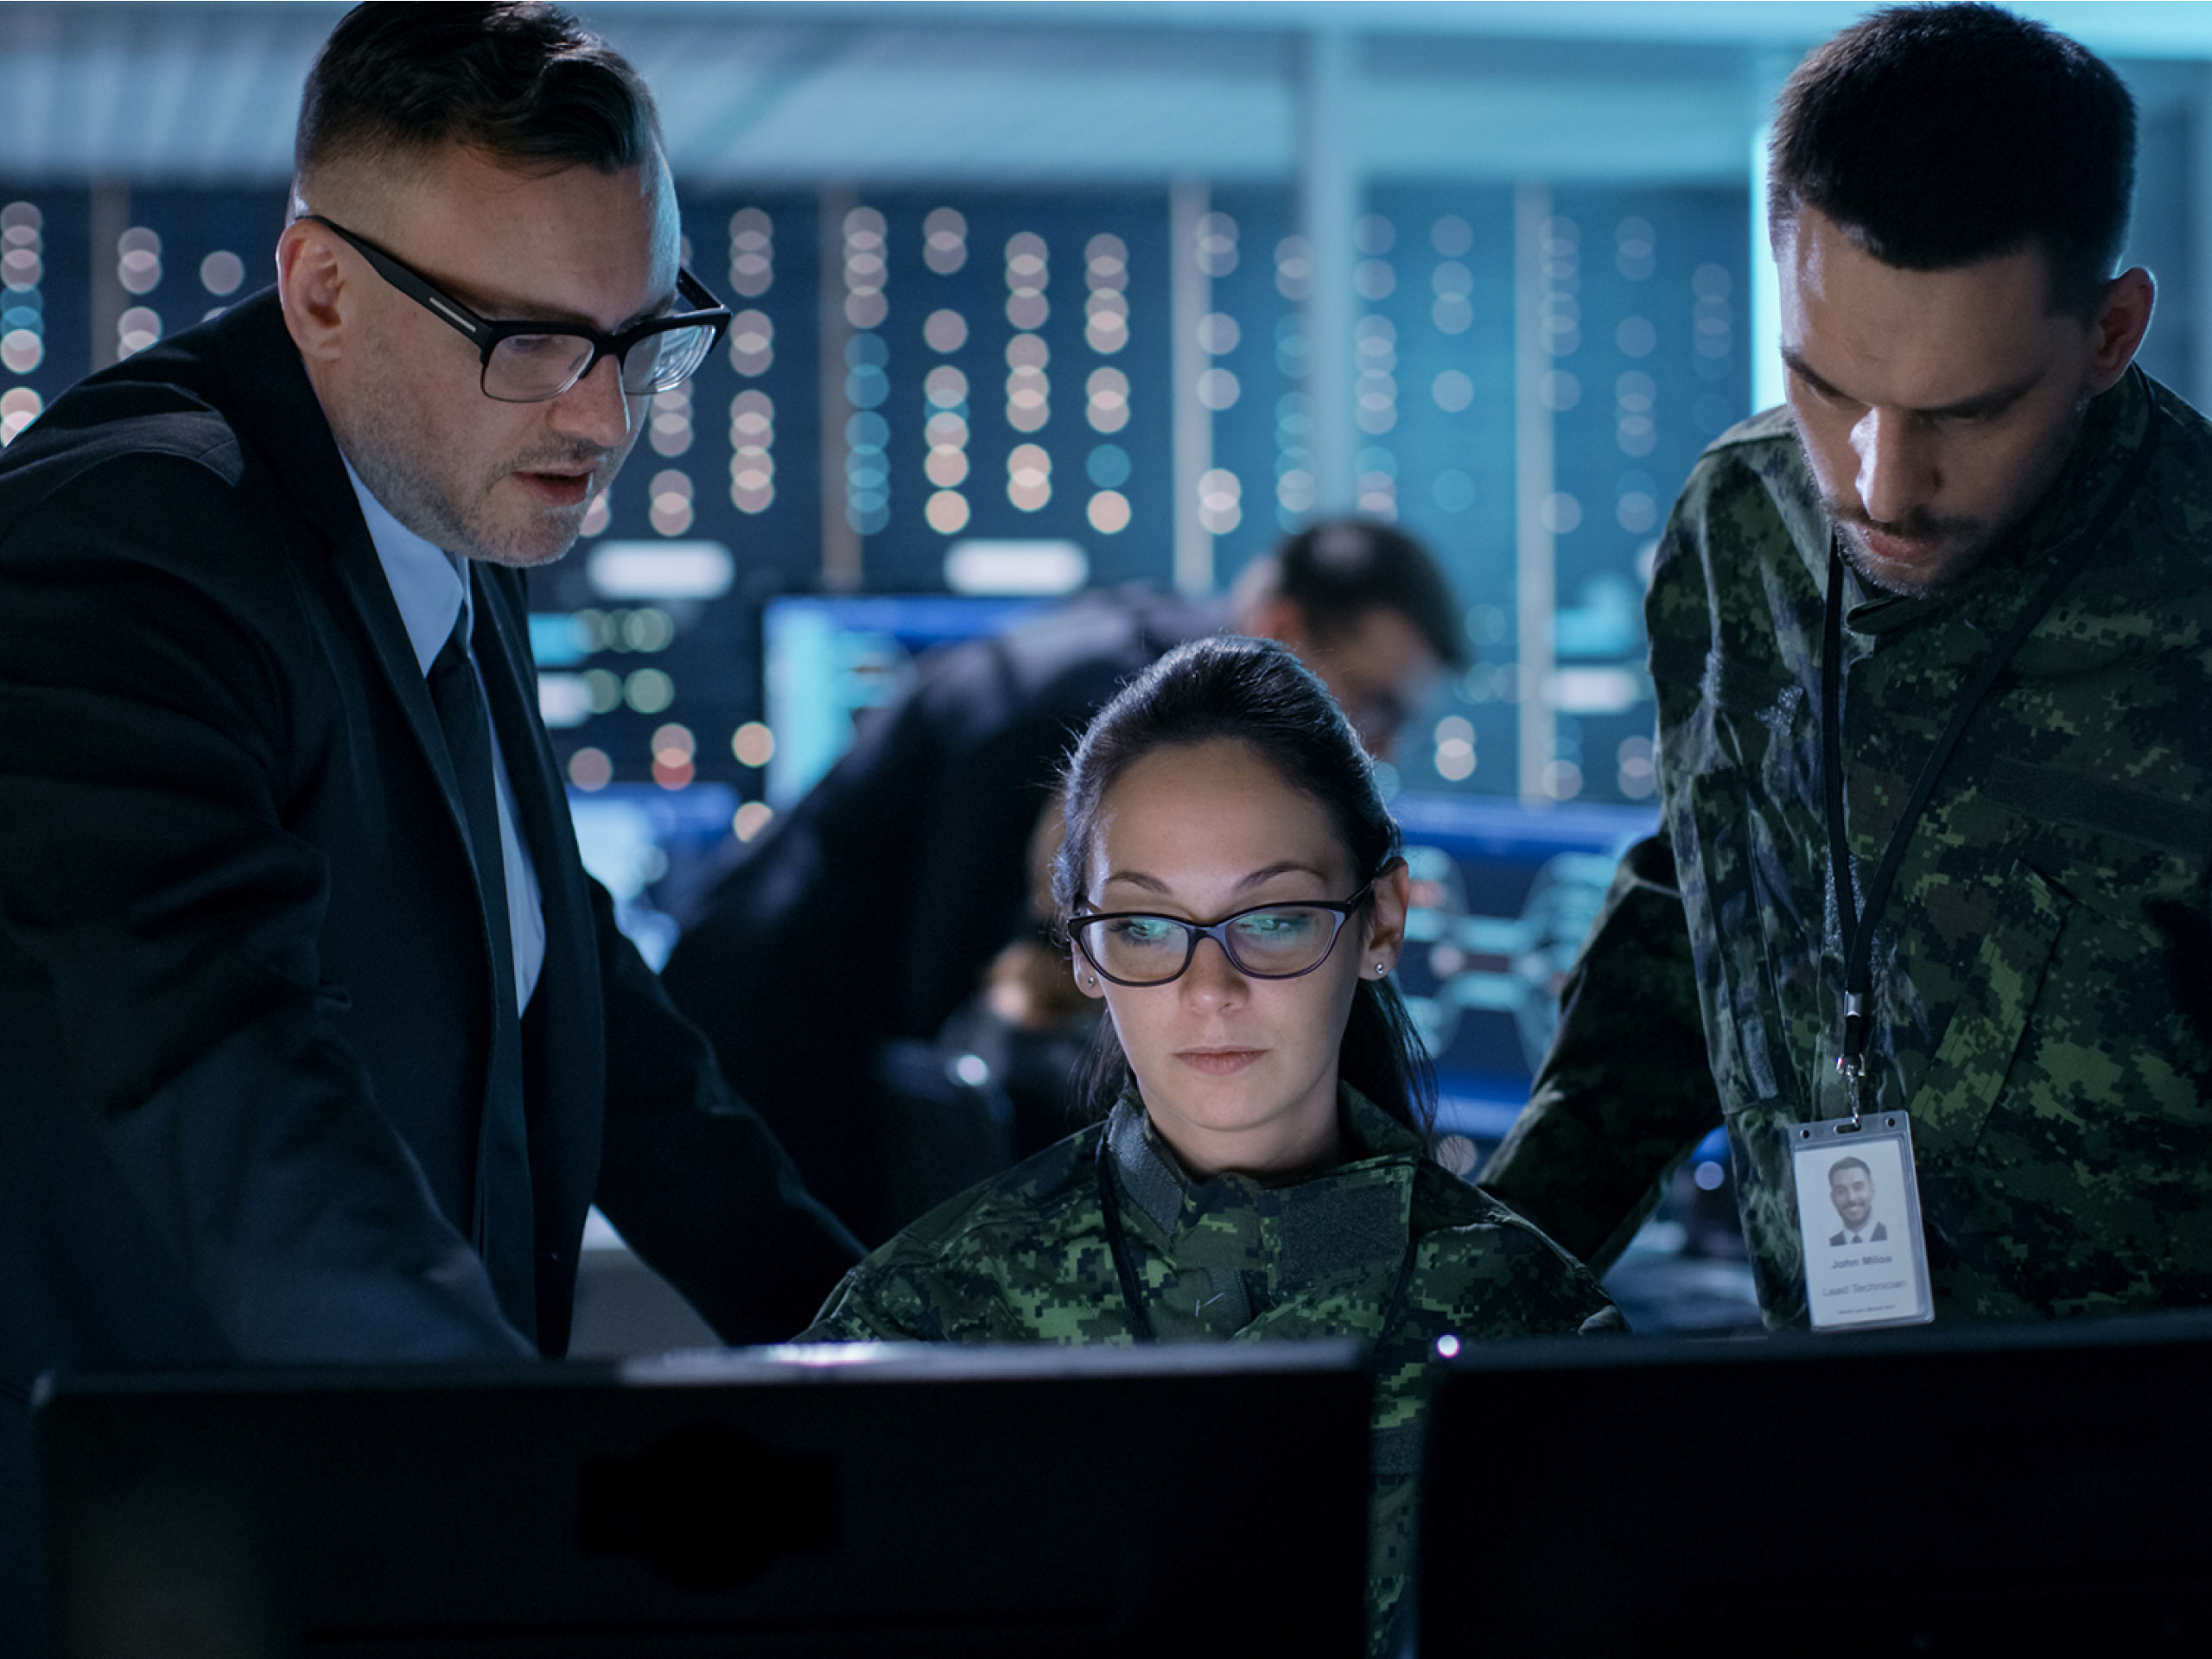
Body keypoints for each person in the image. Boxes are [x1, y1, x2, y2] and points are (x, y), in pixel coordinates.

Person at [0, 3, 860, 1633]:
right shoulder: (126, 549)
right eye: (530, 338)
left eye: (639, 336)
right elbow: (227, 1070)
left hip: (346, 1546)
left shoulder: (440, 476)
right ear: (321, 290)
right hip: (139, 1569)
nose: (603, 419)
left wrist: (876, 1338)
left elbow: (561, 971)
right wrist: (508, 1476)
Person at [1482, 3, 2212, 1326]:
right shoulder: (1739, 525)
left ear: (2110, 333)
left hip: (2149, 1458)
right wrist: (1488, 1286)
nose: (1880, 485)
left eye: (1965, 412)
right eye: (1826, 387)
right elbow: (1696, 895)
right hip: (1826, 1411)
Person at [798, 636, 1620, 1651]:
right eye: (1145, 927)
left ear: (1380, 922)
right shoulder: (918, 1325)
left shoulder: (1532, 1334)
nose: (1210, 990)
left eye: (1271, 918)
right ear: (1081, 946)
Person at [663, 520, 1464, 1243]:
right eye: (1375, 704)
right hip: (758, 1051)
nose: (1377, 748)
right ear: (1283, 629)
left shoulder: (1141, 668)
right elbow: (945, 984)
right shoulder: (1112, 722)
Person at [1827, 1159, 1886, 1248]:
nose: (1851, 1198)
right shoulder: (1827, 1246)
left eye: (1858, 1187)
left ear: (1872, 1190)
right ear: (1833, 1198)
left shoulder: (1894, 1236)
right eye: (1841, 1191)